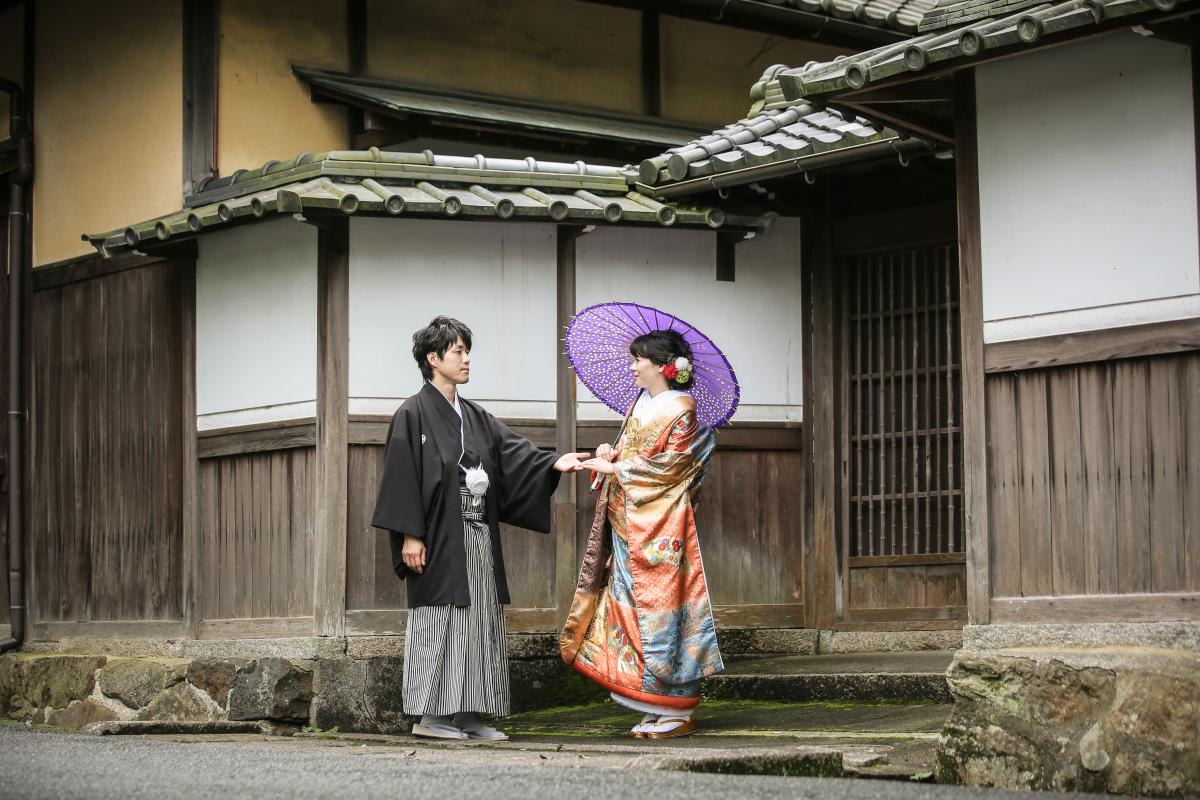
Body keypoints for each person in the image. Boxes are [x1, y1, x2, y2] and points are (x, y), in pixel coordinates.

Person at [372, 316, 588, 741]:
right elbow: (401, 475)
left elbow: (513, 452)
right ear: (433, 359)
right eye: (458, 351)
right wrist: (410, 535)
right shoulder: (411, 413)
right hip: (437, 535)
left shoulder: (475, 415)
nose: (466, 359)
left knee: (480, 619)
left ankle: (469, 715)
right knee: (439, 619)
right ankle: (431, 717)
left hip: (476, 532)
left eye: (467, 351)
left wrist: (553, 462)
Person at [561, 329, 723, 739]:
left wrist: (618, 468)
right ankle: (650, 701)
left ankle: (677, 705)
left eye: (638, 359)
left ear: (663, 365)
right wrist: (611, 454)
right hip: (628, 524)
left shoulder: (682, 410)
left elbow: (674, 467)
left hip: (660, 528)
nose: (632, 366)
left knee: (665, 610)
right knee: (627, 607)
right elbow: (636, 455)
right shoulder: (642, 403)